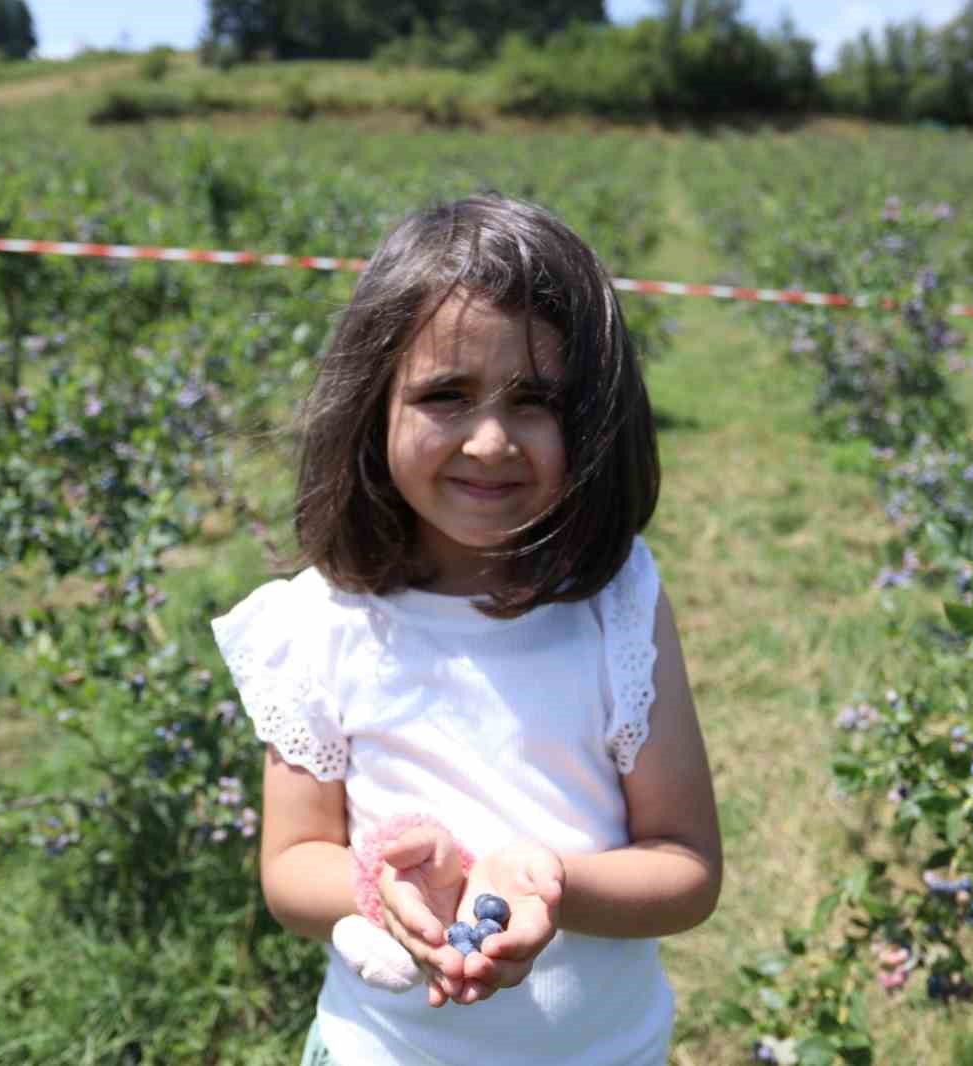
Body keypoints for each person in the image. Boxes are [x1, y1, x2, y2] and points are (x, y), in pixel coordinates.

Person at [212, 194, 722, 1066]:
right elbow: (293, 868)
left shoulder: (617, 604)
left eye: (534, 400)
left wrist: (549, 884)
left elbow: (685, 867)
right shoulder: (319, 624)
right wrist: (387, 884)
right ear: (373, 408)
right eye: (446, 394)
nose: (490, 441)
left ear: (592, 419)